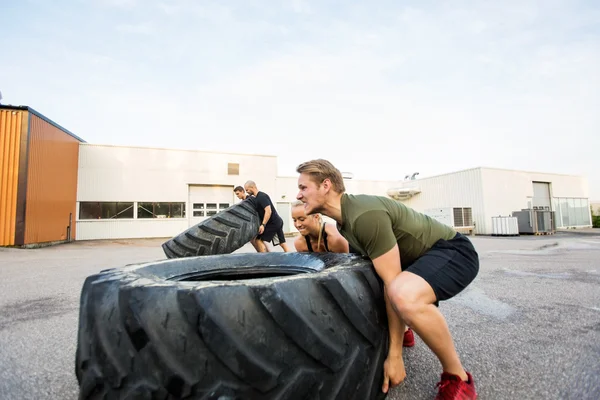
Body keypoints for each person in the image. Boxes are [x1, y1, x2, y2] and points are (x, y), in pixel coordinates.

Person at [295, 159, 479, 400]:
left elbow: (392, 283)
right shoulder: (345, 222)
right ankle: (407, 329)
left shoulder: (363, 215)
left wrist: (394, 356)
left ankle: (458, 378)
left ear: (325, 185)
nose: (298, 195)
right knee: (376, 279)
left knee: (402, 295)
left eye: (303, 187)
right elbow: (382, 275)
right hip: (419, 263)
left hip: (453, 251)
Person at [290, 200, 417, 348]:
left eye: (301, 219)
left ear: (316, 217)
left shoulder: (335, 238)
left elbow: (347, 271)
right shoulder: (300, 243)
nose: (297, 224)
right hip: (327, 268)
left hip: (358, 261)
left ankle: (404, 328)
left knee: (381, 287)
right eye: (294, 220)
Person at [244, 180, 291, 253]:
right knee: (282, 243)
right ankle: (290, 257)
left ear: (252, 187)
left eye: (247, 190)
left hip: (273, 223)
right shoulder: (256, 198)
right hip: (276, 222)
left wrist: (263, 225)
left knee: (258, 240)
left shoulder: (262, 196)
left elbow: (268, 211)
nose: (246, 191)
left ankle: (264, 258)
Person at [233, 186, 262, 252]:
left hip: (256, 223)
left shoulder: (251, 199)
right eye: (236, 194)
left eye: (238, 194)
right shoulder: (243, 202)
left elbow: (258, 209)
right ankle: (260, 253)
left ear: (242, 191)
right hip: (250, 224)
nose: (237, 196)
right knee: (252, 240)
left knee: (258, 241)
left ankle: (265, 254)